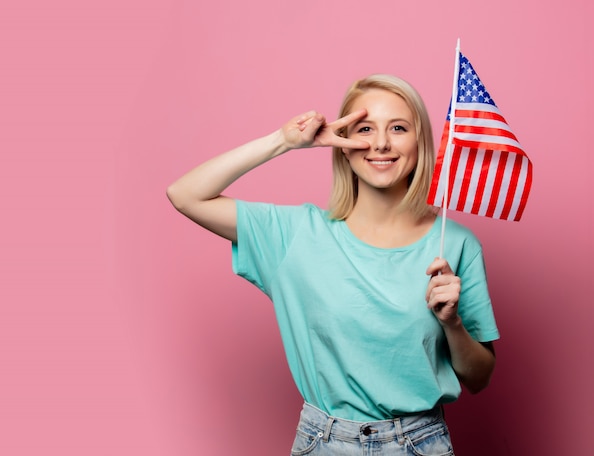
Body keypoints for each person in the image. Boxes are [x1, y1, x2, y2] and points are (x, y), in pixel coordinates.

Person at [167, 74, 499, 455]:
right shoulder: (295, 235)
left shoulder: (455, 245)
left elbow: (479, 377)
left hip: (419, 443)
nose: (380, 143)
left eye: (398, 127)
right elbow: (186, 195)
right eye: (364, 128)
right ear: (342, 144)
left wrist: (452, 322)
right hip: (324, 443)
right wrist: (283, 142)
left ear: (420, 141)